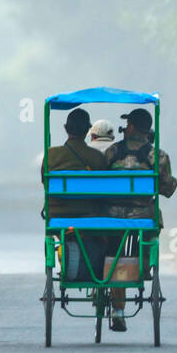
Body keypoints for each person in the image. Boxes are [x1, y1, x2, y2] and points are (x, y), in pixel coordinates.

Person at [103, 108, 177, 331]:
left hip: (112, 217)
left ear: (132, 127)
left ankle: (118, 308)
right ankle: (142, 266)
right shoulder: (158, 156)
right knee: (149, 230)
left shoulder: (111, 152)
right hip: (143, 216)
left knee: (115, 252)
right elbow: (166, 189)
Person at [42, 107, 109, 284]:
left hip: (57, 217)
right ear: (88, 131)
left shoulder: (50, 155)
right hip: (88, 217)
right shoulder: (97, 158)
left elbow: (45, 183)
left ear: (66, 128)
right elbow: (104, 192)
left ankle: (65, 260)